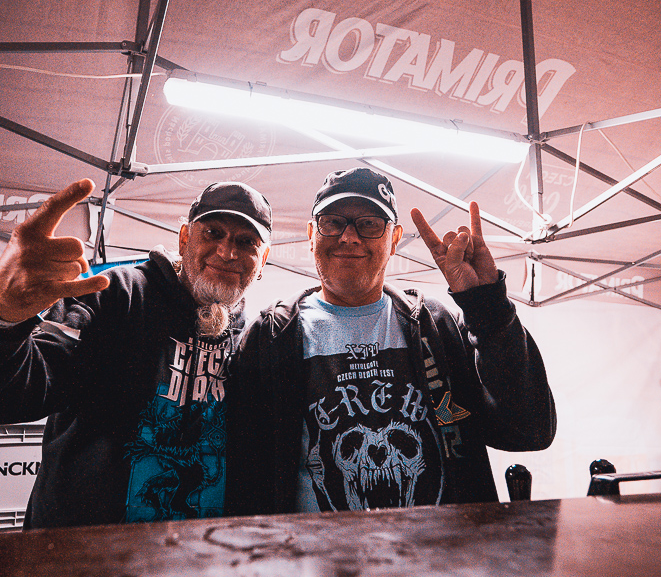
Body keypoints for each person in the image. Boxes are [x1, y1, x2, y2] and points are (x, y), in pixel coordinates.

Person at [0, 178, 272, 528]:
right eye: (213, 233)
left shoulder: (256, 335)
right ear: (185, 238)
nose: (227, 252)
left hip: (199, 553)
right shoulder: (117, 296)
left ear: (262, 260)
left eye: (246, 242)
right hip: (86, 553)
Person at [225, 167, 555, 516]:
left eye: (369, 224)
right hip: (313, 551)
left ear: (394, 239)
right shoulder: (272, 336)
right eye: (332, 222)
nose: (348, 237)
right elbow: (244, 475)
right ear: (311, 234)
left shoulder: (435, 326)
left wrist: (488, 307)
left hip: (444, 550)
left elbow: (529, 431)